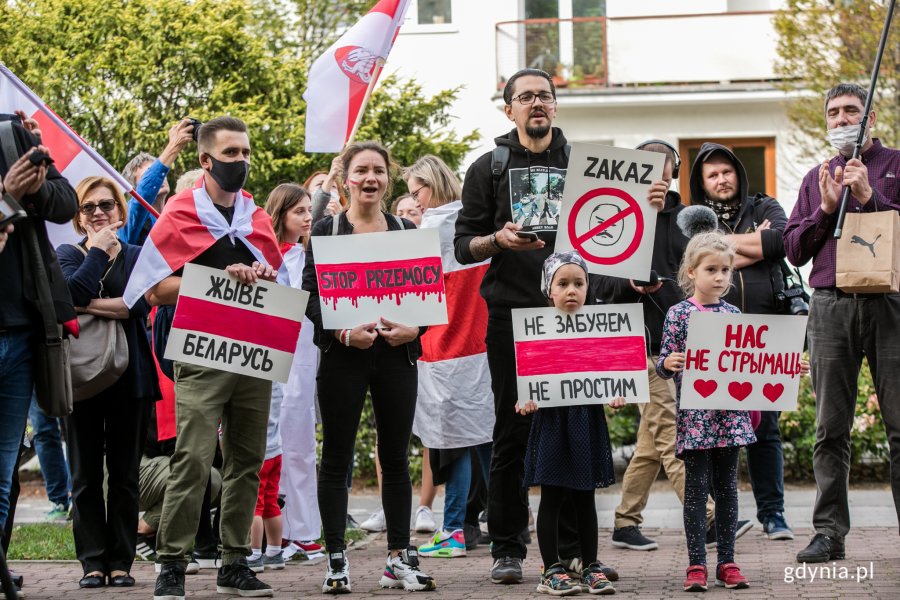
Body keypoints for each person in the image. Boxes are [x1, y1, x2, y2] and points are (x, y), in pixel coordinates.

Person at [454, 67, 665, 584]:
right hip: (511, 318)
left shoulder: (588, 164)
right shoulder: (488, 168)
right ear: (509, 110)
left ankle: (575, 553)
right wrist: (497, 241)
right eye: (525, 97)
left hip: (580, 318)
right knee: (513, 431)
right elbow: (464, 246)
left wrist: (652, 208)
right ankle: (508, 547)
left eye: (544, 96)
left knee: (577, 433)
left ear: (556, 105)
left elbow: (618, 233)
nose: (537, 104)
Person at [127, 116, 281, 600]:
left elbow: (278, 280)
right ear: (205, 160)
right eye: (231, 153)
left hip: (254, 352)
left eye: (246, 153)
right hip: (202, 354)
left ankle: (235, 562)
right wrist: (214, 281)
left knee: (246, 460)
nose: (242, 162)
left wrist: (260, 275)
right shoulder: (181, 213)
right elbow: (153, 290)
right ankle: (172, 564)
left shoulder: (256, 216)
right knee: (192, 459)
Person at [302, 141, 436, 594]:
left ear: (389, 177)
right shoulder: (327, 230)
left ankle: (399, 556)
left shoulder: (403, 228)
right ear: (347, 179)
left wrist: (414, 330)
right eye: (362, 171)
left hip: (397, 357)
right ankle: (336, 559)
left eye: (379, 170)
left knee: (396, 457)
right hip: (343, 358)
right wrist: (341, 334)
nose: (371, 179)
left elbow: (426, 293)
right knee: (336, 458)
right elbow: (309, 295)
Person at [784, 82, 900, 564]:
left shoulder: (896, 165)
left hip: (890, 304)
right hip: (831, 305)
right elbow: (793, 248)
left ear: (869, 117)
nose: (841, 118)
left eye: (851, 110)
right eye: (833, 112)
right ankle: (829, 532)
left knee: (899, 428)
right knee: (831, 428)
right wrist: (825, 208)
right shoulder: (817, 176)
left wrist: (871, 197)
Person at [592, 140, 716, 552]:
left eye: (663, 166)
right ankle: (709, 517)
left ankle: (626, 522)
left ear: (673, 172)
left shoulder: (687, 221)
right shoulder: (616, 219)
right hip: (640, 347)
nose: (655, 173)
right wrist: (629, 282)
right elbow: (595, 285)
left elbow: (703, 274)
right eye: (645, 165)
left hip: (683, 342)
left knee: (650, 441)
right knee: (672, 434)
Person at [56, 176, 159, 588]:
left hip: (130, 378)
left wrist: (87, 304)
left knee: (124, 475)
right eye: (88, 208)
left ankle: (121, 562)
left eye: (106, 205)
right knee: (83, 476)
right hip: (80, 379)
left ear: (120, 209)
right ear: (79, 217)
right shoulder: (66, 253)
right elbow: (67, 293)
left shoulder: (138, 254)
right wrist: (97, 253)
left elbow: (140, 303)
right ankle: (92, 563)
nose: (99, 213)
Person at [687, 142, 791, 542]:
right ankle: (723, 522)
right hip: (712, 335)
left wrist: (724, 248)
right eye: (711, 175)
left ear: (738, 174)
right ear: (702, 183)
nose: (721, 179)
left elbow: (781, 244)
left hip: (766, 336)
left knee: (766, 429)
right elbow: (695, 260)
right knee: (716, 432)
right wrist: (754, 243)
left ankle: (774, 514)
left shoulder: (766, 207)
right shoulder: (692, 219)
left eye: (726, 172)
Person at [0, 116, 77, 600]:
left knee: (3, 467)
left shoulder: (12, 135)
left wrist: (35, 184)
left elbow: (66, 203)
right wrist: (6, 193)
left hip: (22, 333)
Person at [403, 155, 495, 558]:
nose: (416, 201)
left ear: (433, 184)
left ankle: (454, 528)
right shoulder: (480, 222)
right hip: (483, 343)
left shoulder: (427, 229)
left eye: (416, 191)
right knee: (485, 440)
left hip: (442, 347)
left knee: (455, 442)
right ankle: (508, 520)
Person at [518, 251, 622, 596]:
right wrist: (526, 396)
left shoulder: (596, 328)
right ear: (549, 290)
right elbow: (527, 376)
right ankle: (551, 569)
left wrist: (615, 391)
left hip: (585, 419)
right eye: (563, 284)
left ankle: (590, 565)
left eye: (579, 283)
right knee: (551, 495)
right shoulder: (535, 330)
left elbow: (607, 372)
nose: (572, 290)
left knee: (584, 497)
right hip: (551, 421)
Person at [658, 232, 753, 591]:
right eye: (711, 269)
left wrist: (787, 365)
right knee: (697, 489)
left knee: (728, 488)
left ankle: (727, 561)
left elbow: (751, 364)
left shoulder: (734, 314)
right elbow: (663, 365)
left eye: (725, 270)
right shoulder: (678, 314)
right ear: (691, 272)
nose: (720, 277)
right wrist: (668, 362)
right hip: (696, 418)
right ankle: (696, 563)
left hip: (730, 416)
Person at [263, 184, 323, 561]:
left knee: (299, 443)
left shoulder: (309, 256)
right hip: (271, 355)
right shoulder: (264, 256)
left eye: (308, 211)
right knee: (272, 445)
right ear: (280, 213)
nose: (306, 217)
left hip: (304, 355)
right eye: (298, 211)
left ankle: (303, 529)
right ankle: (276, 531)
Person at [118, 119, 196, 245]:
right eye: (147, 175)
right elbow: (143, 194)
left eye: (162, 173)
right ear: (134, 188)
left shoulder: (178, 216)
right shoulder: (128, 216)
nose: (160, 177)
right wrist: (173, 147)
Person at [28, 395, 71, 520]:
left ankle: (75, 497)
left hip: (68, 376)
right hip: (35, 378)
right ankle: (59, 502)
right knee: (43, 433)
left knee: (72, 430)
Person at [306, 156, 348, 223]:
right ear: (307, 192)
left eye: (333, 186)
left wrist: (342, 220)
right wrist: (331, 176)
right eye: (320, 185)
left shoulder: (351, 218)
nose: (328, 190)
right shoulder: (300, 221)